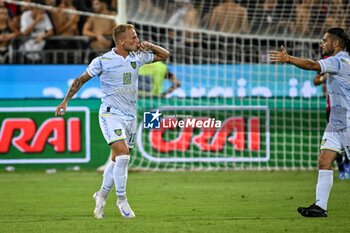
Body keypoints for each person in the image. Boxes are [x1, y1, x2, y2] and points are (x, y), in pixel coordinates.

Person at [55, 24, 169, 219]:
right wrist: (65, 101)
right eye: (133, 37)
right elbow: (80, 80)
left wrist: (148, 45)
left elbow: (164, 55)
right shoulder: (103, 61)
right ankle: (122, 200)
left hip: (130, 116)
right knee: (123, 155)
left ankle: (101, 196)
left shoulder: (137, 57)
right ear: (122, 41)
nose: (137, 40)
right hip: (110, 114)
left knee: (117, 160)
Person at [269, 27, 350, 217]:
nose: (321, 43)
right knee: (324, 161)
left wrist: (289, 59)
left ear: (336, 43)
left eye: (324, 40)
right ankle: (320, 207)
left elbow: (313, 65)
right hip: (335, 123)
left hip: (347, 121)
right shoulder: (337, 61)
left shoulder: (340, 60)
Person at [313, 66, 350, 180]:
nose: (321, 46)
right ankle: (342, 169)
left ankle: (347, 166)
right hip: (332, 110)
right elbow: (316, 81)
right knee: (335, 141)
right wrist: (324, 77)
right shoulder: (328, 63)